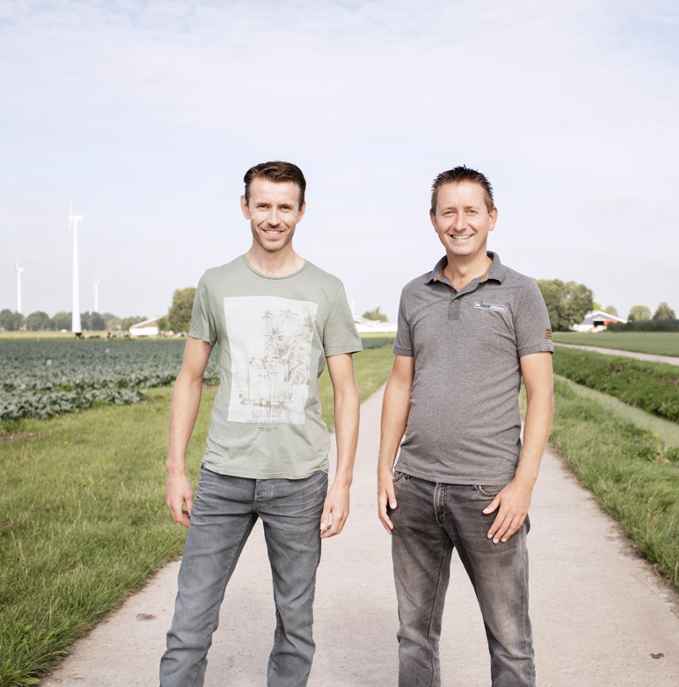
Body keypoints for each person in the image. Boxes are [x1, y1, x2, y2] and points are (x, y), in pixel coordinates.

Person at [160, 161, 363, 686]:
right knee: (189, 624)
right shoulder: (217, 283)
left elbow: (346, 389)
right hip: (224, 477)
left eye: (285, 206)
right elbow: (189, 378)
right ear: (246, 206)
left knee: (295, 627)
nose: (273, 218)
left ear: (301, 210)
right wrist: (175, 470)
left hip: (299, 483)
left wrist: (341, 482)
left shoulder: (326, 289)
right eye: (263, 205)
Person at [377, 165, 555, 687]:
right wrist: (385, 469)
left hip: (488, 494)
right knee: (414, 636)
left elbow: (541, 395)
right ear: (433, 220)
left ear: (491, 218)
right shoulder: (414, 294)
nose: (460, 222)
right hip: (415, 489)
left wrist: (522, 484)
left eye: (471, 210)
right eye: (448, 211)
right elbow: (399, 385)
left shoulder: (520, 292)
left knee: (510, 641)